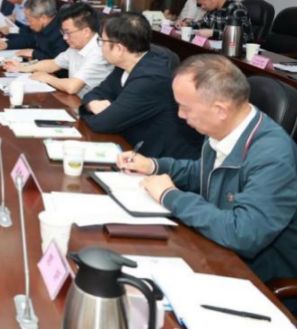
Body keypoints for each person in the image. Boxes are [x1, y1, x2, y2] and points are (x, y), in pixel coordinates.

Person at [118, 54, 297, 304]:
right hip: (215, 248)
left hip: (255, 279)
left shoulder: (273, 155)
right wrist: (153, 165)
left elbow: (243, 234)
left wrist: (171, 196)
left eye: (185, 107)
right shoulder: (227, 128)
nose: (180, 115)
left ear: (220, 110)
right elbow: (203, 173)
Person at [81, 13, 203, 158]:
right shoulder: (125, 65)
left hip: (165, 161)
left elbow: (102, 124)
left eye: (102, 41)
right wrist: (91, 105)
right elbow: (95, 93)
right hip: (135, 146)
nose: (101, 46)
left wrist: (87, 108)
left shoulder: (151, 79)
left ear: (119, 49)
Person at [4, 3, 112, 97]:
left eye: (68, 33)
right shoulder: (77, 46)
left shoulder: (99, 52)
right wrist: (23, 67)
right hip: (76, 101)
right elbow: (54, 64)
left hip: (91, 108)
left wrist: (47, 78)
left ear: (86, 32)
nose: (65, 38)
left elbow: (72, 87)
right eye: (63, 33)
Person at [0, 0, 68, 60]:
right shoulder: (42, 26)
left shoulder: (61, 33)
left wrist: (33, 53)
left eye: (29, 20)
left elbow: (57, 62)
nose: (28, 24)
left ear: (43, 18)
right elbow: (29, 39)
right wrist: (7, 44)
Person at [180, 0, 253, 44]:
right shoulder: (212, 8)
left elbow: (243, 37)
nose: (202, 7)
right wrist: (186, 25)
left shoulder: (236, 8)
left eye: (204, 4)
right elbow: (202, 23)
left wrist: (213, 33)